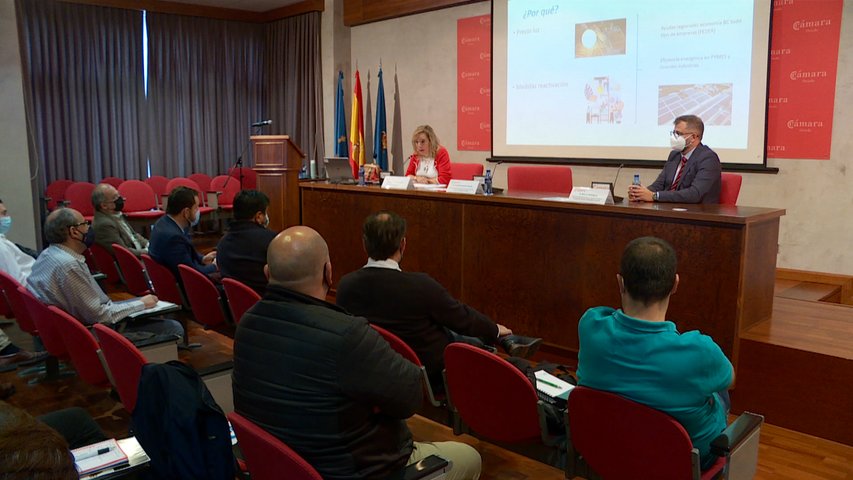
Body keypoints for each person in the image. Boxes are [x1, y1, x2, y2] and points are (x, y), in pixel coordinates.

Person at [233, 226, 481, 480]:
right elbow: (411, 396)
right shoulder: (345, 333)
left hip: (284, 464)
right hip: (349, 471)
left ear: (267, 273)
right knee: (469, 457)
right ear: (328, 272)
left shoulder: (247, 322)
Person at [336, 211, 542, 392]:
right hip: (430, 374)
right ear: (403, 244)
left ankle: (501, 341)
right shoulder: (420, 286)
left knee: (459, 333)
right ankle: (505, 342)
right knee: (467, 338)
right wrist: (495, 329)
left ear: (364, 243)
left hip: (377, 370)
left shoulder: (346, 286)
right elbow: (461, 317)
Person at [576, 236, 733, 470]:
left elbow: (610, 316)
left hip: (609, 451)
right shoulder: (701, 351)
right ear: (675, 284)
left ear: (620, 283)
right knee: (719, 388)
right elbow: (730, 379)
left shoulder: (590, 324)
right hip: (683, 465)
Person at [27, 207, 183, 338]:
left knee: (150, 312)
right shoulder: (69, 266)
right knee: (173, 328)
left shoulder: (48, 254)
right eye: (85, 224)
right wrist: (141, 304)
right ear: (74, 232)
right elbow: (100, 316)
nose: (89, 228)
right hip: (95, 333)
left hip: (72, 326)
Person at [0, 199, 51, 370]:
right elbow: (18, 283)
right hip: (35, 295)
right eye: (3, 214)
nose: (7, 218)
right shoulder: (1, 247)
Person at [629, 114, 721, 204]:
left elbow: (694, 194)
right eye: (674, 133)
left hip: (696, 214)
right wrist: (640, 194)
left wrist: (655, 196)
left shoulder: (708, 158)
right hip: (670, 210)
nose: (674, 137)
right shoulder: (674, 155)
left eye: (679, 134)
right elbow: (659, 185)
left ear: (693, 137)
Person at [148, 186, 217, 280]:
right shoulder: (173, 238)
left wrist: (202, 259)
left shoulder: (163, 222)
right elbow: (191, 273)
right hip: (180, 287)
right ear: (186, 212)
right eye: (196, 208)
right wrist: (214, 266)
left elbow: (186, 255)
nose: (198, 211)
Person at [215, 190, 276, 295]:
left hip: (235, 304)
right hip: (268, 303)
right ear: (259, 216)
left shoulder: (222, 243)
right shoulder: (272, 241)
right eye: (266, 212)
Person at [91, 183, 148, 256]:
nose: (120, 199)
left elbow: (134, 235)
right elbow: (123, 252)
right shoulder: (104, 224)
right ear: (104, 205)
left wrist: (149, 245)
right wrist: (148, 252)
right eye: (115, 197)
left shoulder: (116, 214)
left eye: (119, 195)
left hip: (140, 253)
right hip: (132, 262)